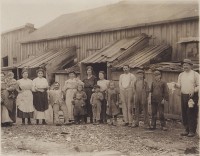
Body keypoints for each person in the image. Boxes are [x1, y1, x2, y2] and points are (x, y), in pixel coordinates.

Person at [174, 59, 199, 137]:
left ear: (191, 66)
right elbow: (179, 85)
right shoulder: (181, 75)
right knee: (184, 113)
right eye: (184, 65)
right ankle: (186, 129)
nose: (185, 66)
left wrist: (194, 90)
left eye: (187, 65)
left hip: (192, 96)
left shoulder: (195, 74)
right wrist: (175, 85)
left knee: (191, 113)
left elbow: (199, 85)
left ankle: (192, 131)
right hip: (183, 95)